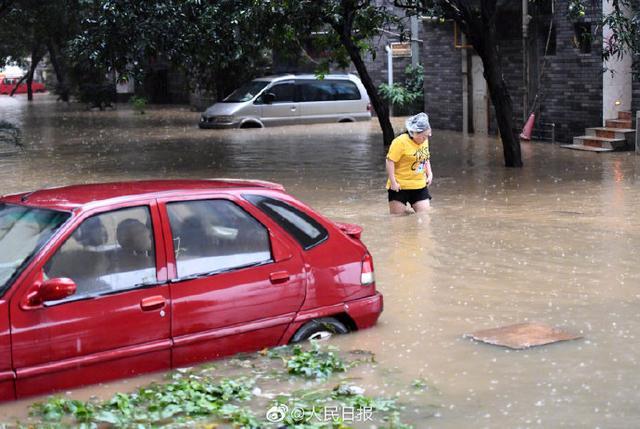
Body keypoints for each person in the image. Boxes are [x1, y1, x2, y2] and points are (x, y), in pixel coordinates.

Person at [386, 112, 433, 215]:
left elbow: (425, 157)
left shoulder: (424, 140)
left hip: (419, 185)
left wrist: (429, 174)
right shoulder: (400, 142)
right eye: (423, 137)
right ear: (415, 133)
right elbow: (390, 161)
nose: (425, 139)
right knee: (398, 219)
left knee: (425, 216)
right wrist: (393, 182)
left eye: (427, 136)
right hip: (400, 187)